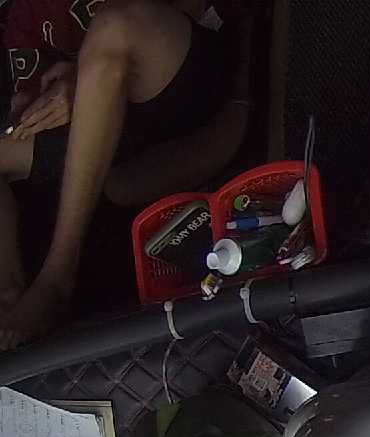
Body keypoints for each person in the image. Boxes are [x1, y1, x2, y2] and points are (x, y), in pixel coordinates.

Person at [0, 0, 252, 350]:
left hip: (174, 71)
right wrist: (52, 96)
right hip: (102, 124)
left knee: (113, 28)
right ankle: (9, 297)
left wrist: (83, 69)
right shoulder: (22, 14)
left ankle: (56, 276)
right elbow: (25, 106)